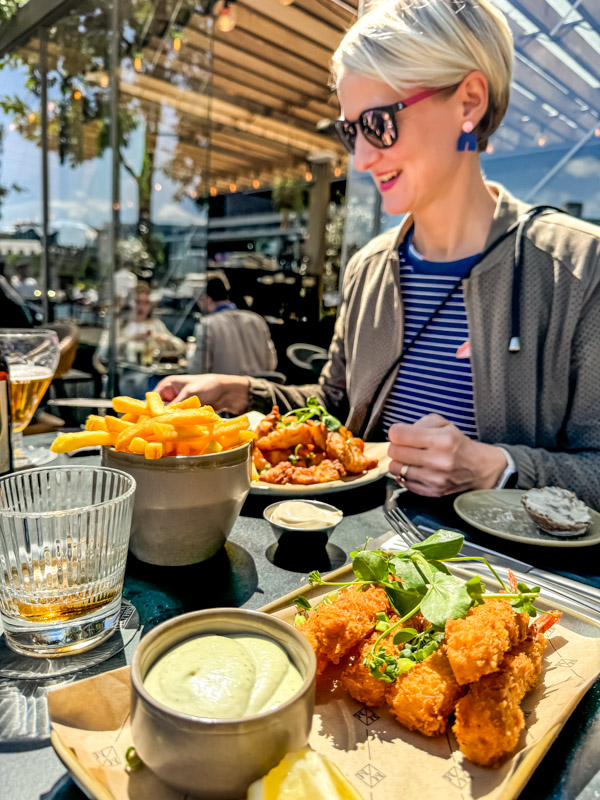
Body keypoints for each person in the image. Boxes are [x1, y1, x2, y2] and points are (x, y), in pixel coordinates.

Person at [157, 0, 600, 509]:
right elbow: (335, 410)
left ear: (469, 101)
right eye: (350, 131)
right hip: (362, 564)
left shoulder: (579, 269)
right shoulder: (368, 268)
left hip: (506, 581)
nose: (362, 159)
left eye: (379, 123)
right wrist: (243, 393)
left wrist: (499, 467)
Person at [97, 282, 185, 397]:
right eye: (138, 302)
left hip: (153, 376)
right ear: (130, 303)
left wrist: (166, 340)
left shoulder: (155, 325)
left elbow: (181, 347)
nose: (141, 307)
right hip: (126, 377)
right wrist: (129, 340)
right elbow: (103, 353)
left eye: (146, 303)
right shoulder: (119, 325)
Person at [187, 273, 277, 376]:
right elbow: (271, 364)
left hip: (224, 391)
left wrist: (190, 352)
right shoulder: (257, 320)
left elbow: (197, 370)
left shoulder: (207, 325)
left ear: (207, 300)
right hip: (256, 389)